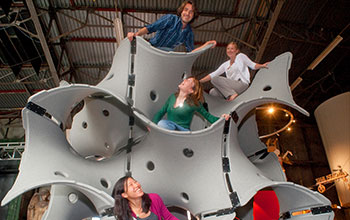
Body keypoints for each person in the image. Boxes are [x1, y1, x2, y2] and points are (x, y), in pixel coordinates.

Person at [127, 0, 216, 52]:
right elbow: (150, 28)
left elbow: (191, 52)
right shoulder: (170, 19)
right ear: (181, 11)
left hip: (166, 53)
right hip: (152, 48)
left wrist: (206, 45)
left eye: (191, 12)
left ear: (193, 15)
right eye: (186, 10)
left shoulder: (189, 32)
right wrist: (136, 35)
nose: (187, 13)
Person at [152, 77, 230, 131]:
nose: (185, 80)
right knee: (162, 123)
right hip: (170, 127)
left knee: (163, 124)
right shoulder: (172, 97)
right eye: (186, 79)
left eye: (189, 81)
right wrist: (152, 125)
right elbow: (161, 112)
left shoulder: (194, 103)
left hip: (183, 131)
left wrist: (222, 119)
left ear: (191, 90)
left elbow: (208, 116)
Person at [200, 42, 269, 101]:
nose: (230, 50)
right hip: (231, 87)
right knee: (213, 92)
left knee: (215, 79)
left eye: (232, 48)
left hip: (241, 84)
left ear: (237, 51)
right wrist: (199, 81)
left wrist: (262, 65)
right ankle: (226, 104)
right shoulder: (225, 64)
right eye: (228, 49)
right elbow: (213, 74)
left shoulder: (240, 57)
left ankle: (232, 95)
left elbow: (253, 65)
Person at [112, 176, 178, 220]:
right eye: (130, 185)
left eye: (135, 182)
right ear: (125, 195)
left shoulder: (154, 198)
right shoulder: (123, 213)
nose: (136, 185)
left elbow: (169, 217)